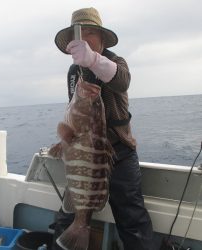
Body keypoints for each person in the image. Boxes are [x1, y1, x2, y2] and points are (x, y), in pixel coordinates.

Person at [52, 7, 155, 250]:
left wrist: (94, 60)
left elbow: (122, 80)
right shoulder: (73, 72)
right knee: (67, 215)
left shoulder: (115, 62)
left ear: (102, 37)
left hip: (120, 152)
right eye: (79, 33)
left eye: (90, 32)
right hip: (86, 155)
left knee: (132, 217)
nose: (84, 38)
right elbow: (75, 113)